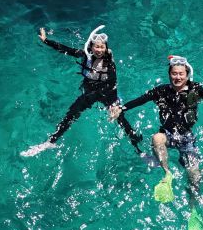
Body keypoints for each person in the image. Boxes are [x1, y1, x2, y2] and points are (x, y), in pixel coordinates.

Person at [109, 55, 203, 201]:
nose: (178, 77)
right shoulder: (160, 91)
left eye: (181, 74)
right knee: (156, 138)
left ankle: (194, 204)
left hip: (186, 138)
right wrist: (121, 108)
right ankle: (167, 174)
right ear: (169, 75)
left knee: (194, 175)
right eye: (174, 73)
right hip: (167, 134)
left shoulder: (195, 90)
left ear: (187, 74)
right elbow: (141, 100)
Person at [21, 25, 144, 157]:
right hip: (90, 92)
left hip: (107, 93)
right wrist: (46, 40)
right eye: (97, 46)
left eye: (102, 47)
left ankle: (137, 146)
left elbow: (113, 84)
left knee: (120, 118)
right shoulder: (85, 55)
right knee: (71, 114)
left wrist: (113, 105)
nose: (99, 50)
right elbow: (65, 50)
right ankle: (51, 142)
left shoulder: (109, 64)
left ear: (106, 48)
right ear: (91, 47)